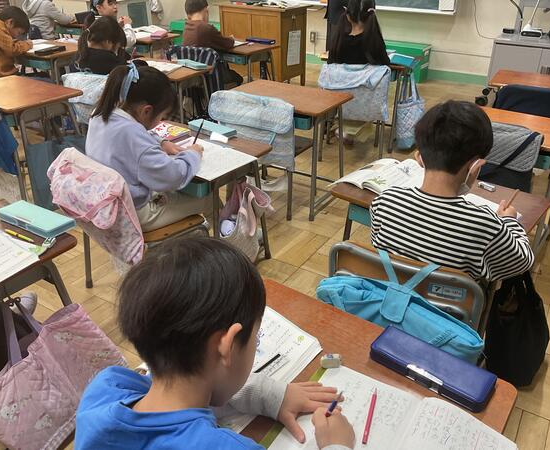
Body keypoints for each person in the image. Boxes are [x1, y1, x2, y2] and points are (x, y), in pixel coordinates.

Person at [75, 237, 356, 450]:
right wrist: (337, 445)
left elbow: (179, 394)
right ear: (228, 346)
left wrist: (268, 395)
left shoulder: (105, 389)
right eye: (255, 338)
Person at [370, 101, 535, 281]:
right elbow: (523, 261)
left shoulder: (385, 202)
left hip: (386, 294)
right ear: (475, 166)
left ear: (419, 158)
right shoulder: (485, 225)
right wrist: (509, 221)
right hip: (448, 300)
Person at [85, 63, 209, 232]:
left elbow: (133, 136)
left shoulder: (101, 113)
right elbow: (173, 177)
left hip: (104, 203)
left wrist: (160, 142)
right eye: (161, 117)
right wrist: (193, 154)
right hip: (134, 214)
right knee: (209, 199)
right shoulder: (133, 135)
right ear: (147, 111)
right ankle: (218, 243)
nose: (160, 122)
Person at [183, 0, 243, 87]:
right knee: (238, 78)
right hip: (211, 75)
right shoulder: (206, 28)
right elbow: (227, 43)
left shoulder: (186, 27)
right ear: (206, 10)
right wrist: (231, 39)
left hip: (192, 72)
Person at [328, 0, 389, 65]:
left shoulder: (338, 42)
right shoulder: (375, 42)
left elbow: (330, 64)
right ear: (372, 13)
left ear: (347, 15)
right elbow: (385, 64)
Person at [0, 6, 32, 78]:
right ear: (10, 22)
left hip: (2, 76)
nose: (17, 36)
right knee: (46, 80)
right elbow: (13, 49)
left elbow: (7, 43)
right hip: (3, 77)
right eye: (19, 33)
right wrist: (27, 44)